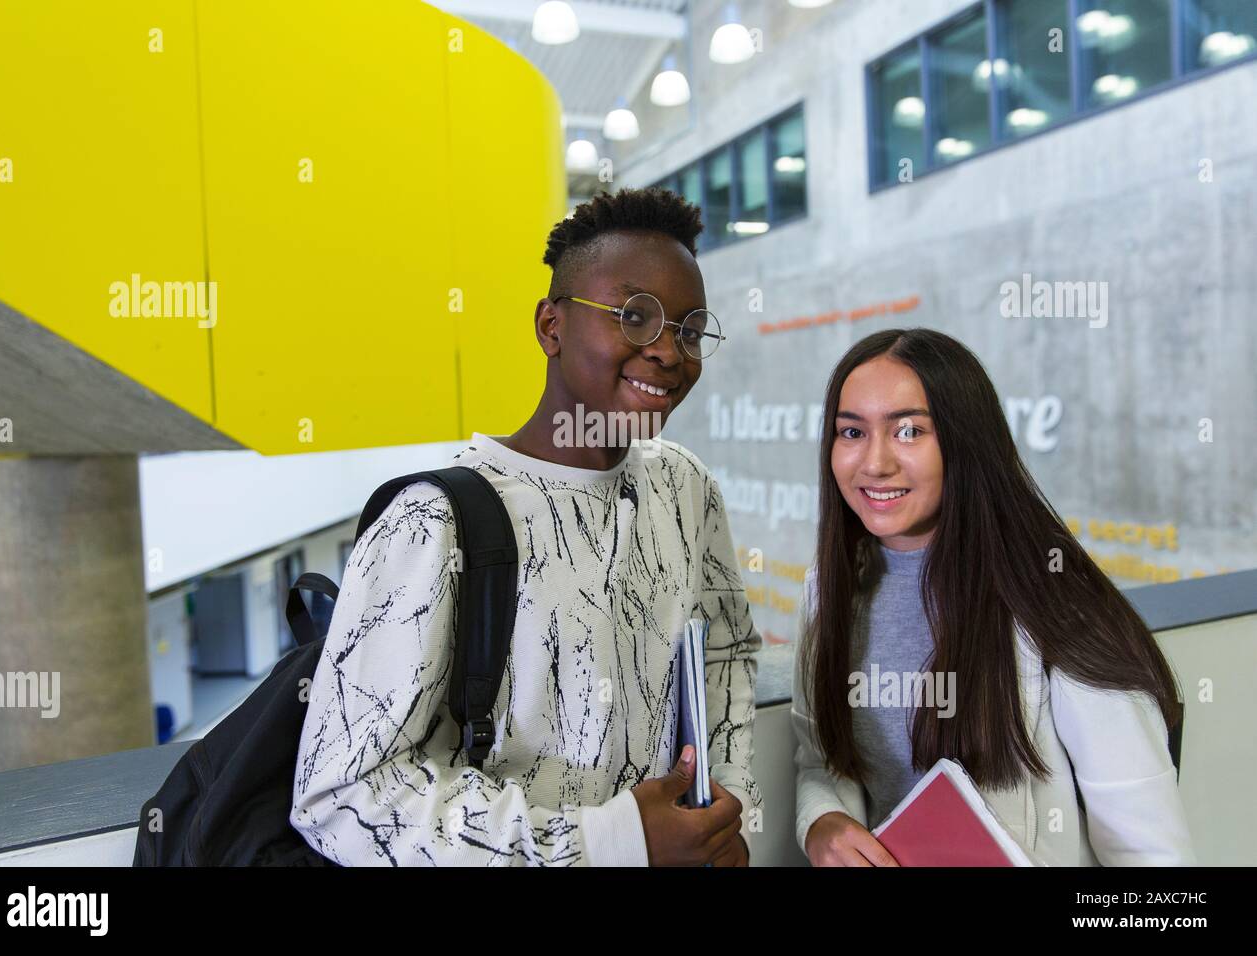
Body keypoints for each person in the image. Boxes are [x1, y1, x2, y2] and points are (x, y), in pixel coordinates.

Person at [291, 187, 761, 866]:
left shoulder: (684, 488)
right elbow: (343, 794)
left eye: (689, 330)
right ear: (551, 326)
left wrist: (727, 814)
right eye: (634, 317)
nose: (668, 351)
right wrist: (612, 844)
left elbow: (728, 655)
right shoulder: (433, 523)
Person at [793, 328, 1195, 866]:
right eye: (851, 432)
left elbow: (1150, 855)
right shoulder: (829, 586)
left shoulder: (1053, 595)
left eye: (909, 430)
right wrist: (823, 822)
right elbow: (823, 760)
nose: (875, 463)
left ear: (964, 440)